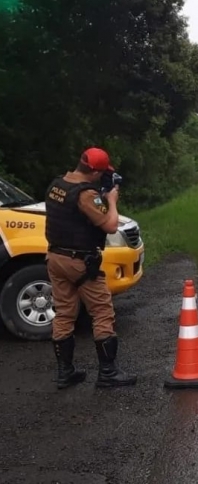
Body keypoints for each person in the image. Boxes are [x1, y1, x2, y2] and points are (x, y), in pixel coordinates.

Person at [45, 147, 137, 389]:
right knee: (102, 311)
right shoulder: (85, 194)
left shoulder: (57, 185)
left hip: (56, 258)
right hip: (80, 262)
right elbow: (109, 225)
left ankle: (65, 372)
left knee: (64, 313)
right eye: (102, 173)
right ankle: (108, 372)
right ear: (94, 171)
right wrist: (111, 201)